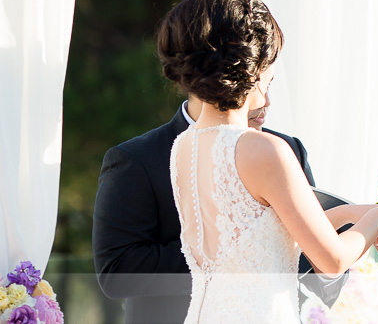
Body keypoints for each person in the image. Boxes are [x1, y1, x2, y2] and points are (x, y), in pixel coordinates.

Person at [103, 0, 378, 323]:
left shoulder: (183, 147)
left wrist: (354, 213)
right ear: (255, 70)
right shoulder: (264, 150)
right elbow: (332, 259)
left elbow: (257, 234)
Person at [92, 90, 338, 324]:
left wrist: (345, 232)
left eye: (268, 82)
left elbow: (317, 261)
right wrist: (228, 254)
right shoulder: (138, 158)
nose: (266, 100)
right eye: (253, 82)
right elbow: (116, 271)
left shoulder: (285, 149)